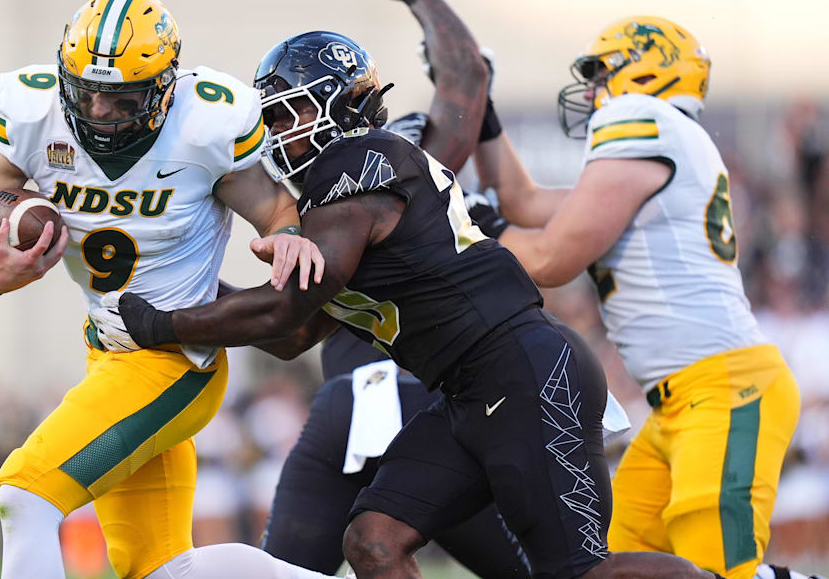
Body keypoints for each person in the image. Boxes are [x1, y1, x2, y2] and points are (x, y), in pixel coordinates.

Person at [94, 28, 722, 579]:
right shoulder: (335, 195)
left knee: (577, 571)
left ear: (333, 107)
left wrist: (157, 321)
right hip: (467, 389)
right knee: (373, 541)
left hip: (522, 370)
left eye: (285, 117)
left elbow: (283, 309)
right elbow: (293, 334)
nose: (275, 136)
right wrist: (191, 293)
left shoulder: (358, 162)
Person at [0, 0, 336, 579]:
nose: (97, 110)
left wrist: (289, 232)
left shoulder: (205, 124)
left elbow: (274, 210)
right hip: (107, 354)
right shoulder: (35, 113)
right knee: (161, 570)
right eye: (85, 92)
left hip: (174, 361)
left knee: (25, 492)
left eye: (119, 99)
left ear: (165, 86)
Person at [465, 17, 802, 579]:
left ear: (648, 72)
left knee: (713, 573)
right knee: (606, 567)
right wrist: (484, 113)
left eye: (602, 74)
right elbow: (521, 201)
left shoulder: (644, 119)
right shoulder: (662, 145)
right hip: (678, 402)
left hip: (726, 387)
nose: (593, 92)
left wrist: (469, 228)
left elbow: (550, 259)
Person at [256, 0, 531, 576]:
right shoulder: (401, 182)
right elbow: (467, 75)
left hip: (348, 400)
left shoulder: (324, 195)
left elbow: (286, 333)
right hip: (423, 401)